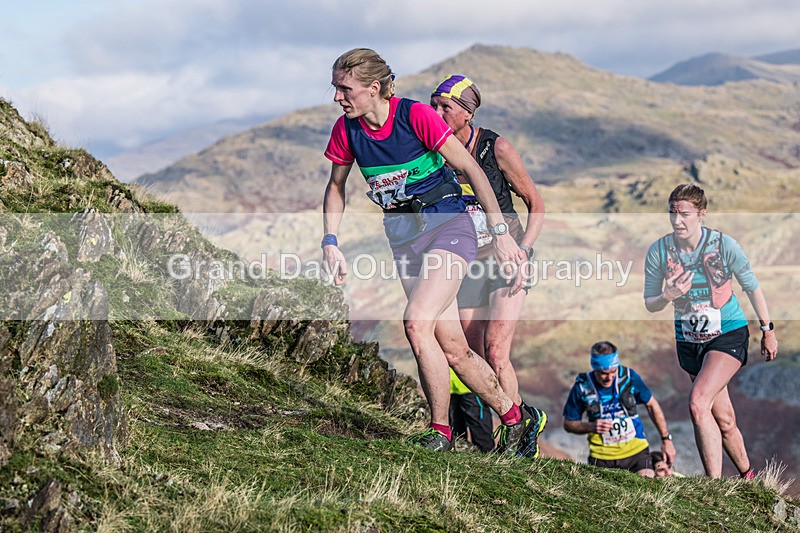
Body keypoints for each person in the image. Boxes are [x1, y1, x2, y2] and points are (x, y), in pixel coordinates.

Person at [322, 48, 537, 455]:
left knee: (416, 324)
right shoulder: (346, 131)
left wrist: (501, 232)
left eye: (344, 88)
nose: (337, 97)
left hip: (450, 228)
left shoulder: (414, 116)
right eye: (335, 89)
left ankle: (439, 431)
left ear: (373, 88)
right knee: (453, 346)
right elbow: (336, 188)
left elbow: (472, 169)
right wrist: (330, 241)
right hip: (404, 240)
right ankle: (515, 418)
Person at [430, 75, 547, 457]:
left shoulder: (496, 147)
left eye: (444, 107)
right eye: (434, 105)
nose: (436, 113)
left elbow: (536, 203)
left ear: (467, 112)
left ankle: (513, 438)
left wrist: (524, 252)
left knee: (496, 350)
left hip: (506, 260)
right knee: (472, 352)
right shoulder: (435, 149)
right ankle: (525, 415)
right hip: (466, 262)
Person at [644, 183, 778, 479]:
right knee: (723, 418)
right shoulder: (659, 251)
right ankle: (748, 477)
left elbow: (752, 287)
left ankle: (713, 489)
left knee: (698, 402)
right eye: (672, 213)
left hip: (727, 334)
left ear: (701, 214)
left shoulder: (724, 246)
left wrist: (767, 330)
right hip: (690, 343)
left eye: (685, 214)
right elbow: (650, 303)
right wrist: (667, 295)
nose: (677, 220)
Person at [563, 341, 677, 478]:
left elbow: (652, 405)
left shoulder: (629, 377)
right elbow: (569, 424)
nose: (609, 378)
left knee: (647, 488)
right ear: (594, 367)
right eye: (603, 373)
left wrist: (666, 440)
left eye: (613, 371)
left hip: (637, 452)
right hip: (601, 458)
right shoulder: (582, 386)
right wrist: (591, 426)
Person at [449, 368, 494, 452]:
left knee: (480, 430)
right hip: (449, 388)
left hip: (471, 386)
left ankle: (487, 456)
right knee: (456, 431)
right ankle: (459, 456)